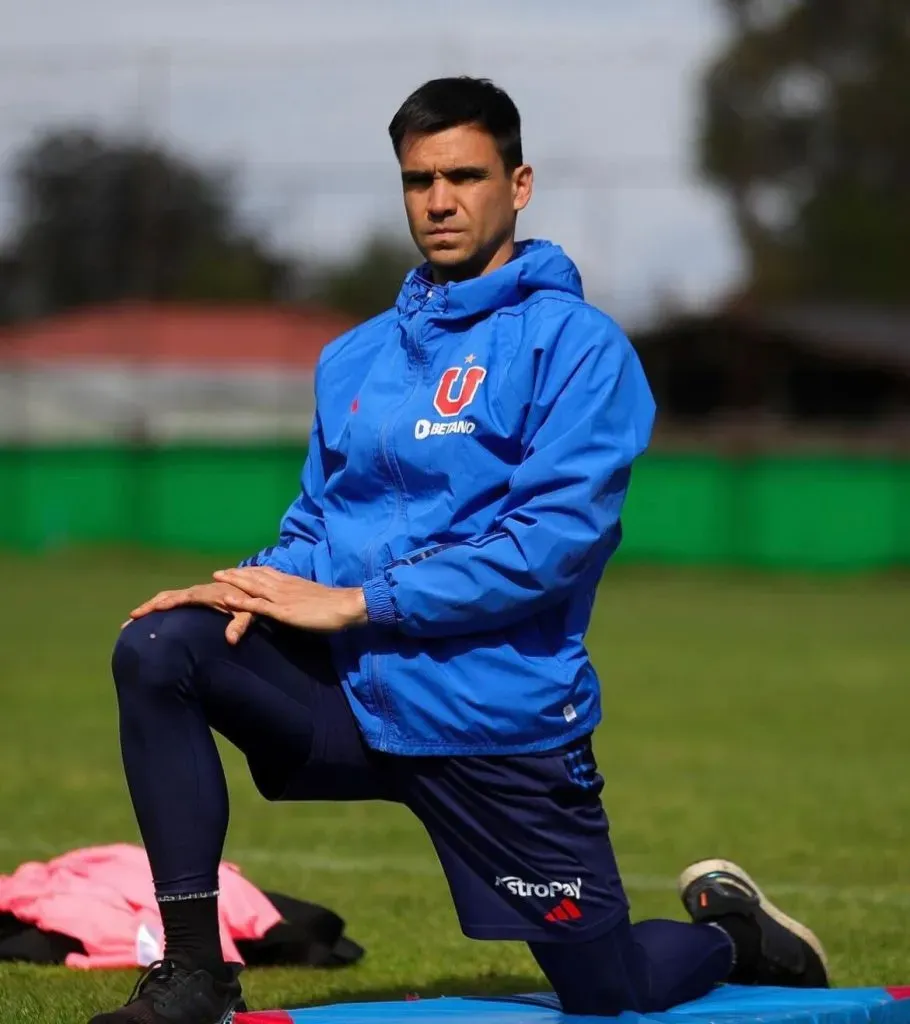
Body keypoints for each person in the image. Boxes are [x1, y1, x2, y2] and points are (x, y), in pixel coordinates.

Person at [93, 77, 828, 1024]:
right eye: (417, 180)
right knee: (164, 648)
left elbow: (549, 544)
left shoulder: (580, 349)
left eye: (464, 175)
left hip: (494, 719)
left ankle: (734, 936)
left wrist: (363, 603)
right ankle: (194, 976)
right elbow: (321, 522)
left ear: (518, 184)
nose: (439, 200)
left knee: (610, 994)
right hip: (353, 697)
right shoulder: (354, 357)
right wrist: (250, 587)